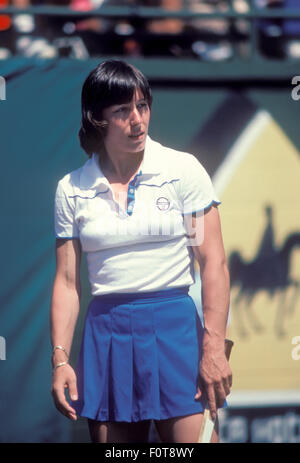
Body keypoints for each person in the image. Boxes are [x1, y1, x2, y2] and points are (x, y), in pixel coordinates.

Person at [50, 59, 232, 443]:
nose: (137, 119)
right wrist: (61, 359)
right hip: (107, 336)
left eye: (143, 106)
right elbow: (67, 284)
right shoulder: (71, 188)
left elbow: (212, 262)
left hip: (176, 334)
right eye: (122, 110)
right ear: (97, 119)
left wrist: (214, 344)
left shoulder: (183, 171)